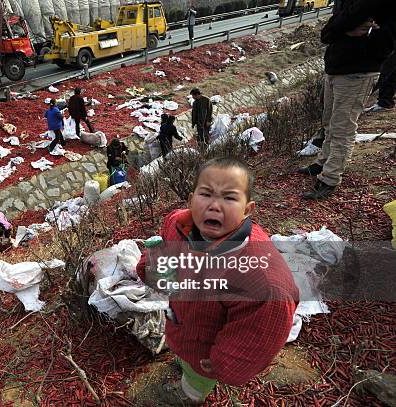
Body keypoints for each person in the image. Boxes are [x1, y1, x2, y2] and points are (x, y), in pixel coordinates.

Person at [136, 157, 299, 405]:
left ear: (248, 209)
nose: (214, 205)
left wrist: (224, 362)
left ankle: (189, 396)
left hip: (207, 349)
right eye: (206, 194)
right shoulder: (178, 223)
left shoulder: (260, 277)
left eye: (229, 197)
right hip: (182, 322)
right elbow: (164, 255)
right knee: (183, 353)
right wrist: (151, 267)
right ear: (191, 200)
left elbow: (259, 332)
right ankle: (182, 358)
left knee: (196, 377)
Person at [298, 0, 394, 199]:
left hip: (358, 72)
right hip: (335, 67)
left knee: (343, 127)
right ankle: (323, 161)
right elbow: (327, 33)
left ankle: (330, 178)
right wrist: (343, 29)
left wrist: (358, 34)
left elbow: (387, 40)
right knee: (329, 122)